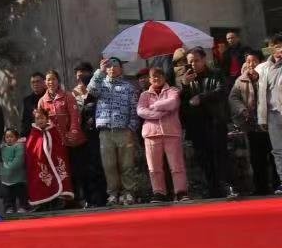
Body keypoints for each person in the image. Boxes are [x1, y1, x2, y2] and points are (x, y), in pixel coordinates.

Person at [88, 57, 142, 206]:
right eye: (109, 66)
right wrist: (99, 71)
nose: (112, 69)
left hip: (124, 130)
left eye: (115, 66)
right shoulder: (101, 84)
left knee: (126, 164)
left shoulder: (128, 87)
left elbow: (134, 109)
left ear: (121, 69)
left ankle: (129, 192)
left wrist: (131, 127)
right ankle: (113, 194)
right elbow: (91, 90)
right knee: (109, 164)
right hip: (105, 131)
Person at [180, 47, 232, 198]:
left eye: (196, 60)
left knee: (219, 155)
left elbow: (222, 91)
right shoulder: (187, 79)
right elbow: (183, 103)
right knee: (203, 157)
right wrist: (184, 85)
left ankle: (226, 186)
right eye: (190, 61)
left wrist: (202, 98)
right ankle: (211, 189)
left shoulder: (216, 74)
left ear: (204, 60)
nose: (194, 64)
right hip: (196, 125)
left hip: (215, 121)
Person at [137, 67, 188, 202]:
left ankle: (181, 191)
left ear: (164, 77)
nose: (156, 79)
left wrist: (154, 106)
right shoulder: (144, 95)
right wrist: (159, 113)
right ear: (149, 79)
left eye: (159, 76)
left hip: (171, 132)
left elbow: (172, 103)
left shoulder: (173, 91)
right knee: (154, 167)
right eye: (153, 77)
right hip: (151, 133)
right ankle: (159, 192)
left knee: (176, 165)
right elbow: (141, 111)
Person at [229, 52, 275, 196]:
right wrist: (242, 109)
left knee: (274, 155)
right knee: (256, 157)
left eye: (254, 61)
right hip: (253, 125)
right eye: (248, 61)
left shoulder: (268, 76)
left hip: (270, 122)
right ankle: (261, 187)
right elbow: (233, 98)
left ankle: (276, 184)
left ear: (261, 62)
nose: (251, 64)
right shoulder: (241, 80)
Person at [71, 62, 106, 207]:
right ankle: (88, 199)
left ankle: (101, 199)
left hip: (97, 134)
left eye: (84, 73)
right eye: (78, 74)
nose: (81, 76)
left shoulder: (98, 89)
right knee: (84, 170)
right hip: (81, 137)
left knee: (99, 167)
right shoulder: (72, 94)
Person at [25, 106, 74, 207]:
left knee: (60, 176)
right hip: (41, 163)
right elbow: (32, 149)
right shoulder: (34, 133)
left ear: (47, 119)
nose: (40, 120)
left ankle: (61, 200)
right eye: (37, 118)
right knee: (42, 180)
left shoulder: (53, 130)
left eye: (42, 118)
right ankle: (44, 203)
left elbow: (59, 148)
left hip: (55, 161)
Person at [253, 33, 282, 196]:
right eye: (274, 46)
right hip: (271, 114)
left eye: (279, 45)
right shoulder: (263, 67)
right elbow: (247, 74)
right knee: (278, 151)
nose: (277, 49)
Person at [0, 128, 28, 213]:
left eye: (11, 136)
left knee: (21, 193)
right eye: (7, 137)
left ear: (16, 138)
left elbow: (18, 160)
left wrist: (8, 167)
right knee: (7, 195)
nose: (9, 139)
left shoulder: (19, 147)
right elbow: (0, 158)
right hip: (6, 178)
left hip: (18, 177)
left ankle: (23, 206)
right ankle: (9, 208)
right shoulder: (3, 148)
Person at [20, 71, 48, 136]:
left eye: (38, 81)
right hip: (33, 135)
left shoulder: (49, 97)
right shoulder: (27, 101)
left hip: (48, 132)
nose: (35, 84)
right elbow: (25, 121)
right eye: (33, 82)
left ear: (44, 83)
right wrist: (23, 136)